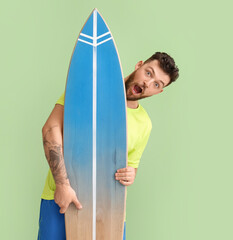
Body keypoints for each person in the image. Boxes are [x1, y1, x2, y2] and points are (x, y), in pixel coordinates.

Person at [38, 52, 179, 240]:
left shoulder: (144, 124)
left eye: (156, 84)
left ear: (159, 91)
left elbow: (132, 166)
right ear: (139, 65)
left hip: (110, 211)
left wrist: (130, 174)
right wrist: (63, 185)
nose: (148, 83)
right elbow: (50, 129)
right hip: (62, 199)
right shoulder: (88, 86)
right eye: (148, 73)